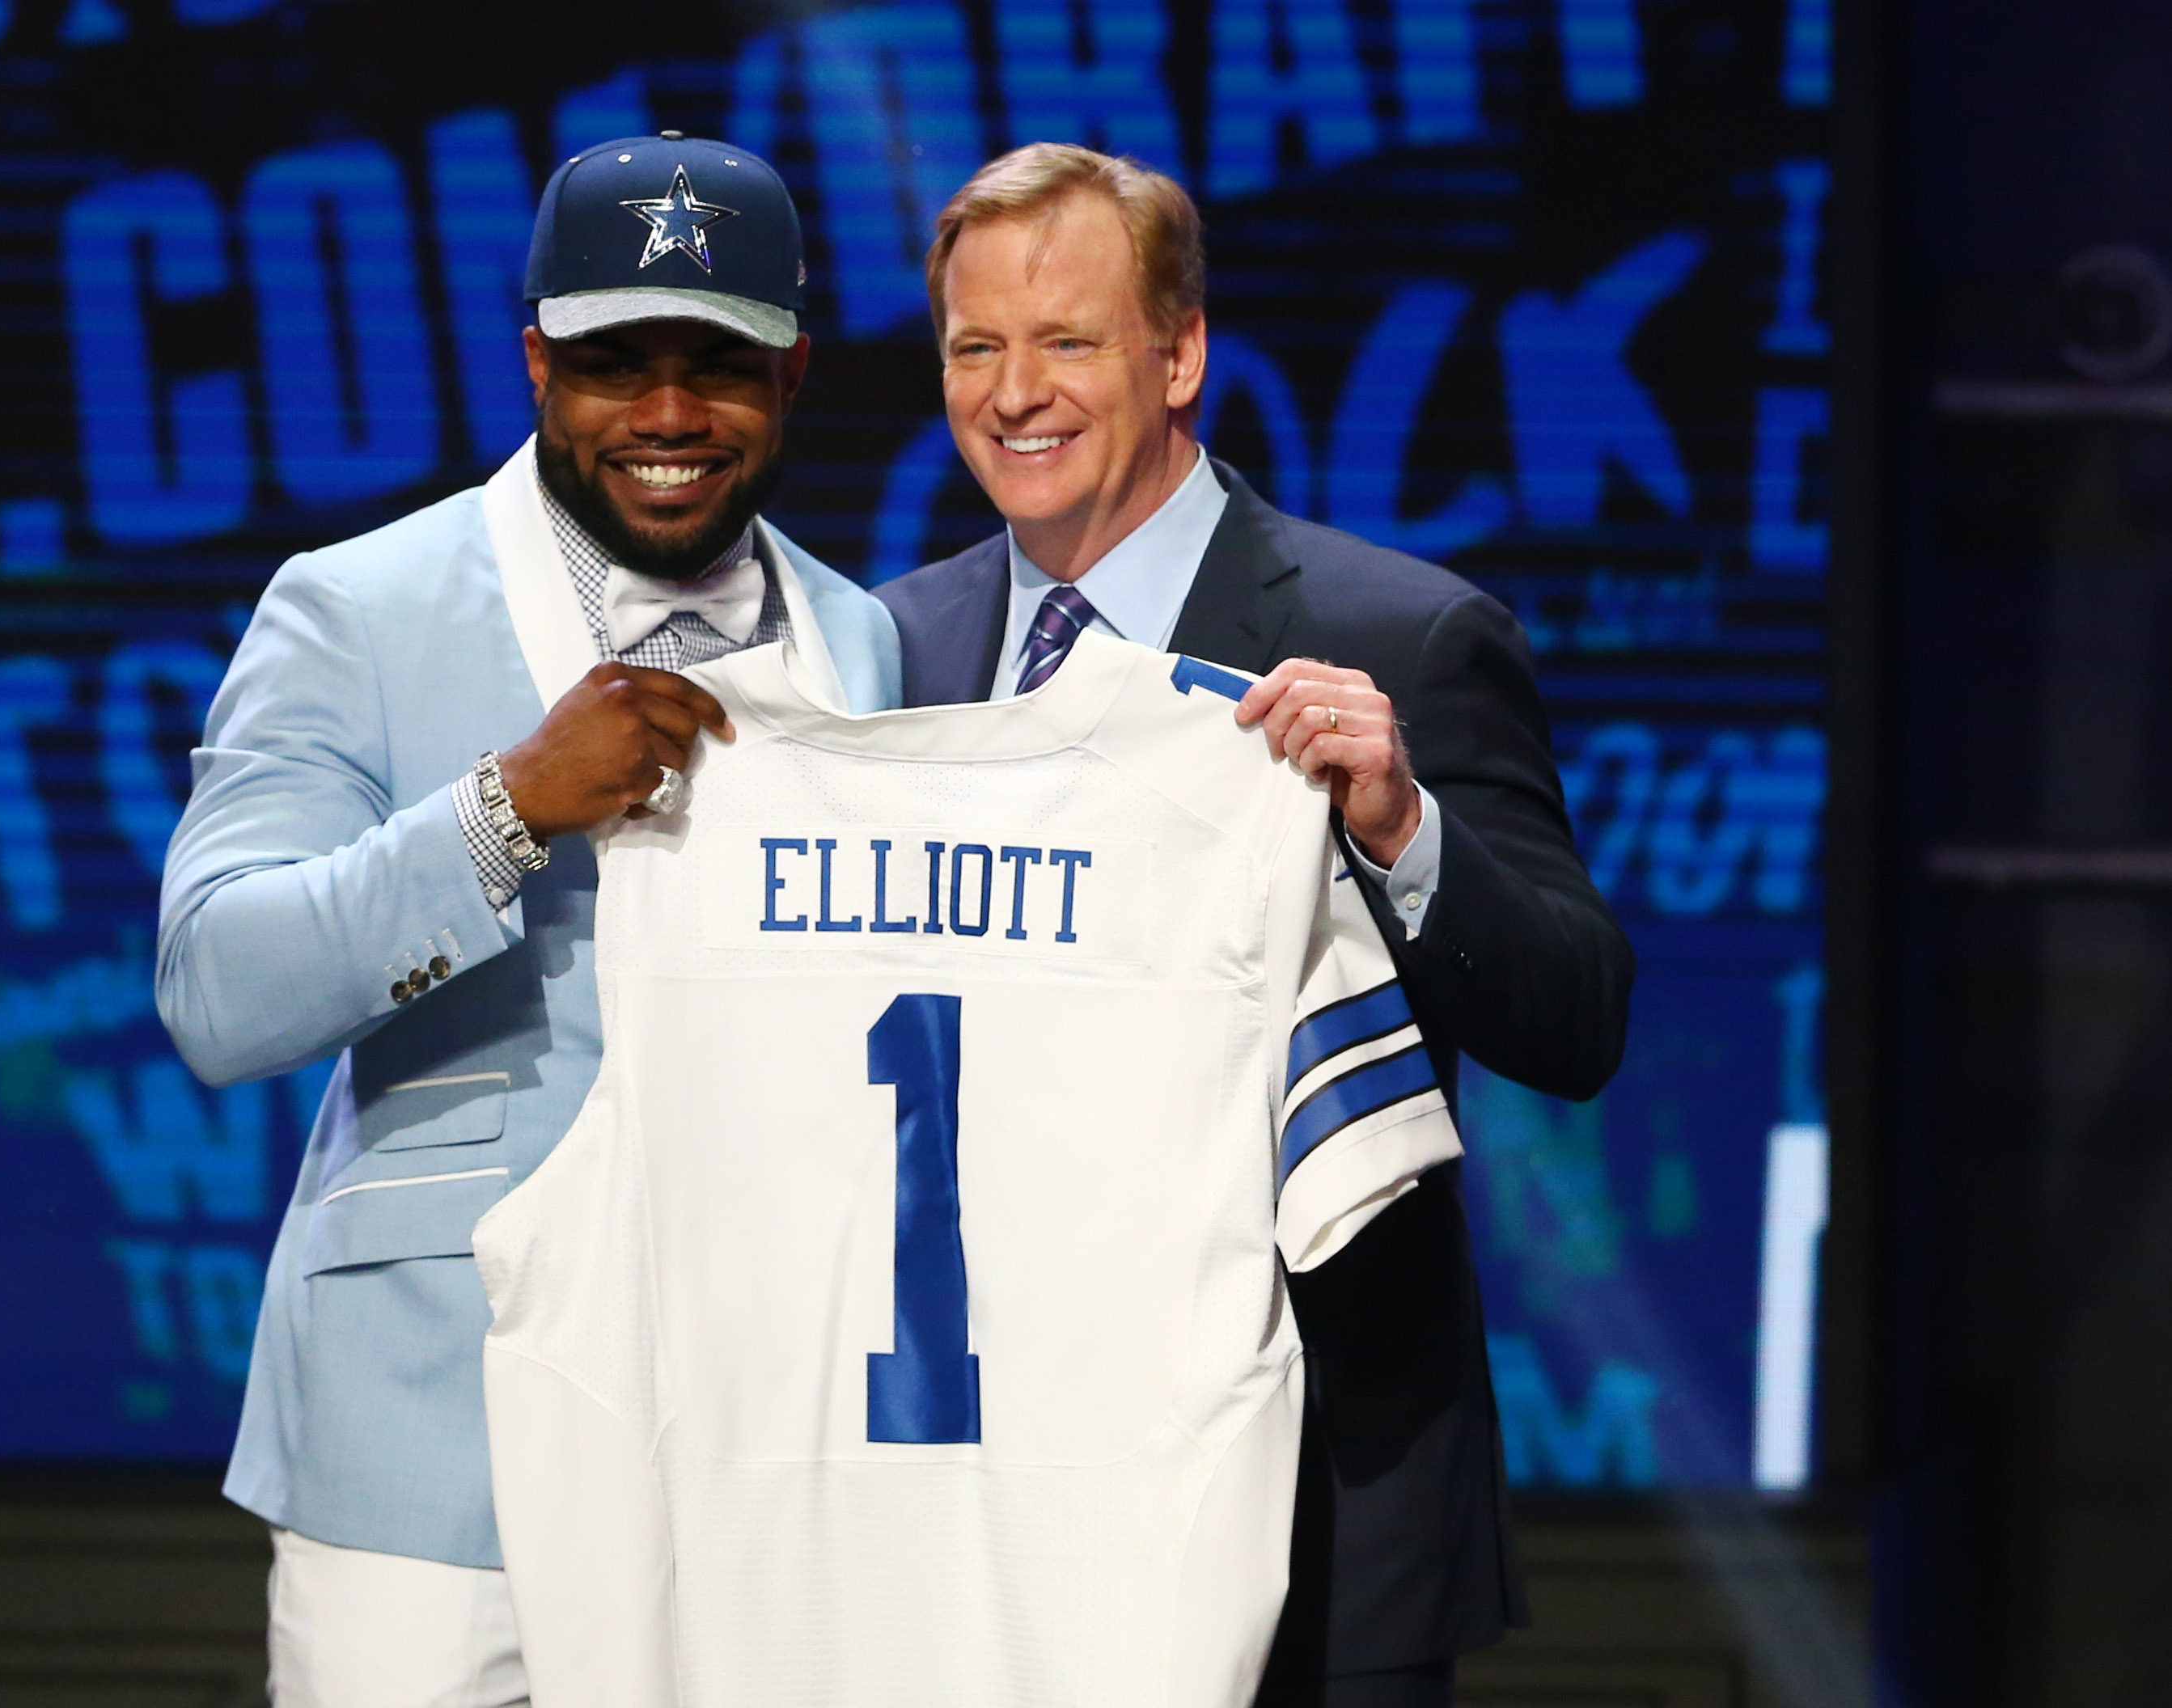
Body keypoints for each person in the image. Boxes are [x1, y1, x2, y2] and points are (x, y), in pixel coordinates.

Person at [873, 143, 1635, 1708]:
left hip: (1305, 1514)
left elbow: (1577, 1016)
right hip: (965, 1514)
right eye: (975, 347)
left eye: (1069, 341)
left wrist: (1402, 830)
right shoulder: (888, 649)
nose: (1016, 392)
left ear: (1182, 353)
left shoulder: (1397, 639)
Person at [156, 133, 899, 1708]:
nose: (670, 413)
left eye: (721, 363)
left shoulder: (864, 638)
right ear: (534, 366)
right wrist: (502, 813)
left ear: (796, 375)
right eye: (614, 362)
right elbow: (217, 991)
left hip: (771, 1452)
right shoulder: (357, 605)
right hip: (438, 1445)